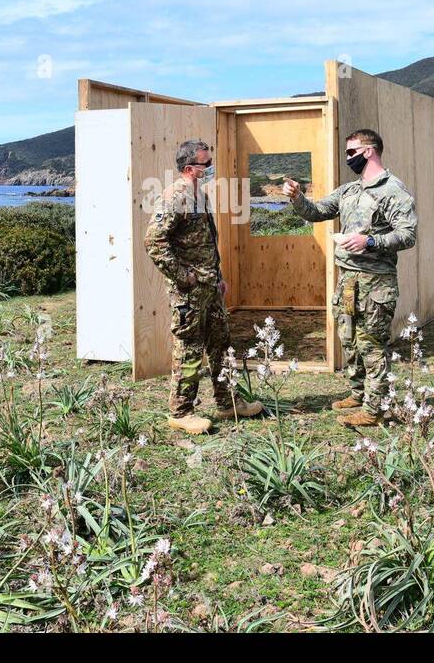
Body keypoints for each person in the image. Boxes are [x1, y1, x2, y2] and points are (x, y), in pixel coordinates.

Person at [283, 128, 418, 427]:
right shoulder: (349, 190)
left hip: (375, 282)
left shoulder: (393, 190)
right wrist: (297, 197)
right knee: (350, 339)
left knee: (371, 344)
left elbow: (407, 235)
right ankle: (358, 393)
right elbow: (317, 211)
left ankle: (375, 409)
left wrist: (369, 242)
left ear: (369, 151)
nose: (348, 158)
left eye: (352, 152)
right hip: (348, 280)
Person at [145, 139, 263, 434]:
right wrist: (184, 276)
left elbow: (207, 242)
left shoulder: (200, 195)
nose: (210, 169)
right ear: (189, 168)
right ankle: (181, 411)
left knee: (221, 344)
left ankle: (228, 402)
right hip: (189, 292)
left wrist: (218, 276)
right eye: (206, 164)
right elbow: (154, 242)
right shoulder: (174, 197)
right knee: (189, 348)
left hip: (210, 286)